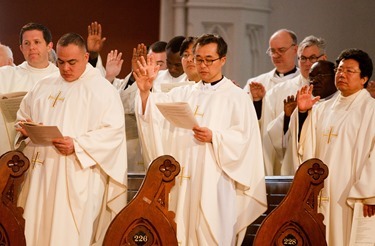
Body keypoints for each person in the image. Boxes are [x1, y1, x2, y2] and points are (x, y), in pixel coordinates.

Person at [134, 33, 267, 245]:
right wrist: (144, 91)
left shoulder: (237, 97)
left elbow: (246, 141)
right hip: (182, 184)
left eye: (209, 60)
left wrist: (216, 137)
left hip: (215, 184)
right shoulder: (183, 93)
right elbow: (153, 116)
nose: (203, 65)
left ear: (223, 60)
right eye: (198, 59)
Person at [15, 33, 127, 246]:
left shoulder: (102, 90)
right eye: (61, 62)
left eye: (72, 62)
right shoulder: (44, 85)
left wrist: (77, 145)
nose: (65, 68)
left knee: (67, 234)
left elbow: (113, 132)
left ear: (86, 57)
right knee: (33, 229)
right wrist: (27, 129)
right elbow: (22, 117)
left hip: (76, 175)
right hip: (40, 174)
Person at [295, 48, 375, 245]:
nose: (342, 75)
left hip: (353, 193)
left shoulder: (371, 110)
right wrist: (304, 113)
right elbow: (305, 146)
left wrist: (369, 193)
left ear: (364, 78)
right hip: (322, 192)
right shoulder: (322, 108)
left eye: (349, 71)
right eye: (339, 70)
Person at [263, 35, 327, 175]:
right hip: (291, 165)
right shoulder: (278, 92)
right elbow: (269, 136)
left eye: (312, 58)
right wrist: (287, 117)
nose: (307, 63)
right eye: (302, 58)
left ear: (323, 59)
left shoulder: (332, 90)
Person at [0, 23, 59, 156]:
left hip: (49, 151)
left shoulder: (60, 78)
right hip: (11, 152)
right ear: (21, 48)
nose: (31, 47)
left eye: (37, 42)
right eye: (27, 43)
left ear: (49, 46)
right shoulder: (6, 75)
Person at [281, 60, 337, 175]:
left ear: (334, 76)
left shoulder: (341, 107)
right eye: (311, 77)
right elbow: (292, 144)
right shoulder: (309, 105)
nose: (314, 81)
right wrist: (301, 113)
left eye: (320, 75)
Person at [243, 29, 299, 96]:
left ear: (295, 50)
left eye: (281, 50)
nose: (276, 55)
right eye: (273, 51)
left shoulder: (305, 81)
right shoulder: (256, 83)